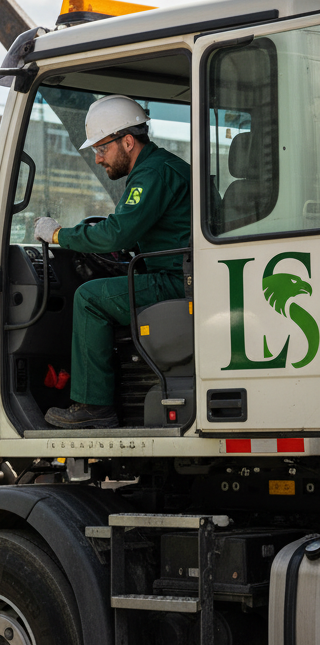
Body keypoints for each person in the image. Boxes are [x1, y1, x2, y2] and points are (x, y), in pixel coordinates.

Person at [34, 94, 191, 429]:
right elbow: (136, 233)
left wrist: (60, 235)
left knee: (89, 298)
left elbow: (117, 233)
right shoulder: (159, 168)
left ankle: (94, 406)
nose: (99, 157)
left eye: (102, 148)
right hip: (180, 272)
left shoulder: (152, 174)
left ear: (128, 141)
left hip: (176, 279)